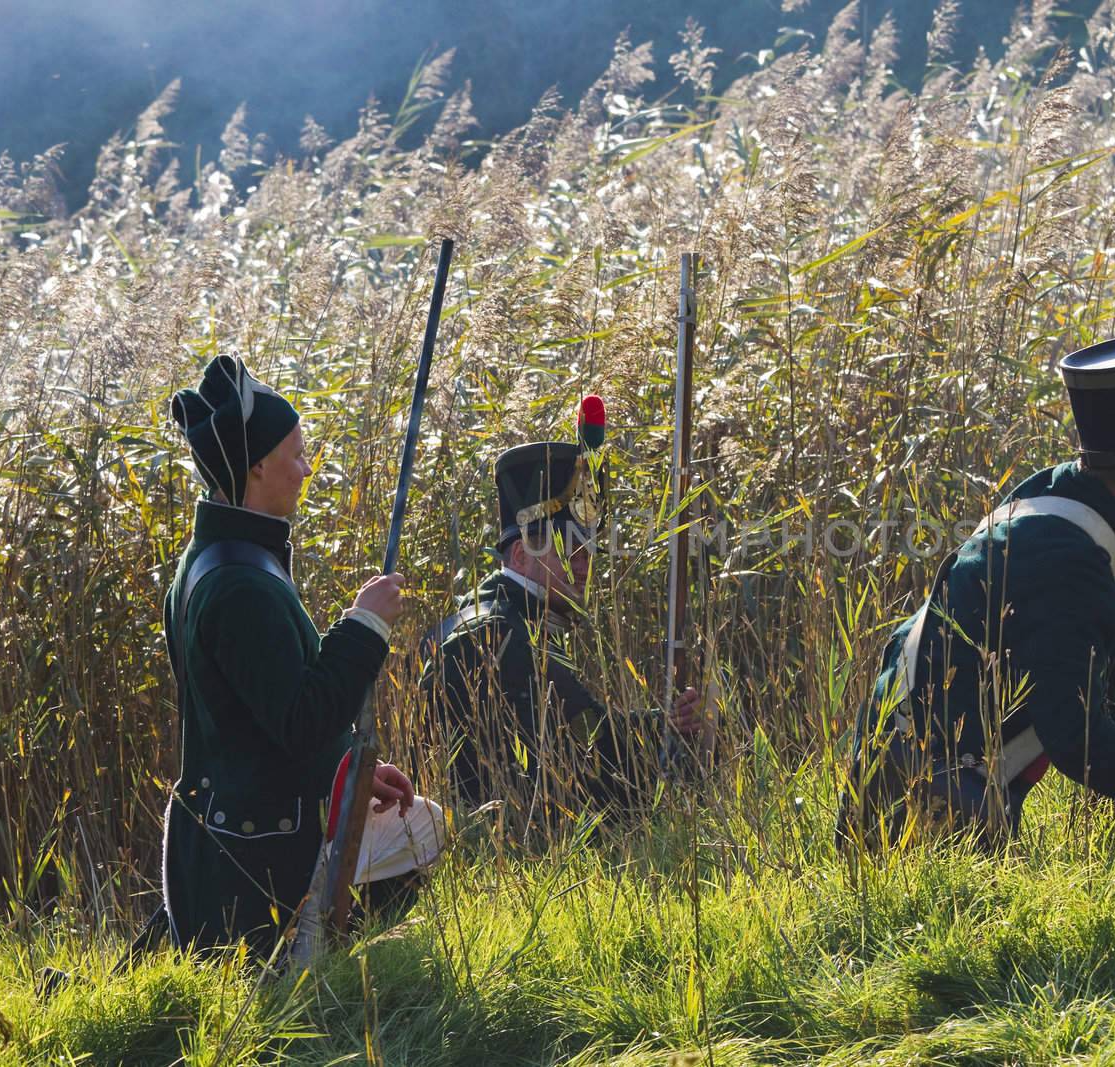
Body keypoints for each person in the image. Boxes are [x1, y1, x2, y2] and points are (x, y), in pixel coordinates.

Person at [842, 330, 1115, 846]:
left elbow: (1101, 617)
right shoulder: (1069, 561)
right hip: (920, 806)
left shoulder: (1065, 499)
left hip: (924, 773)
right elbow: (1075, 737)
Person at [162, 355, 444, 959]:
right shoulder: (240, 584)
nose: (307, 468)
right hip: (258, 853)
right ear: (257, 466)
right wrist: (365, 626)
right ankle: (305, 965)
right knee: (427, 827)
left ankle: (315, 959)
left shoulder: (211, 559)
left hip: (233, 837)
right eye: (296, 454)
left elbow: (261, 722)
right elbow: (299, 722)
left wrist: (351, 774)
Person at [421, 439, 713, 827]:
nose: (584, 567)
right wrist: (667, 728)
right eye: (569, 551)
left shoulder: (498, 618)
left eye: (587, 553)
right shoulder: (502, 635)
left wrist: (663, 721)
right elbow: (583, 740)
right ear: (523, 556)